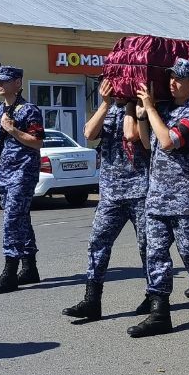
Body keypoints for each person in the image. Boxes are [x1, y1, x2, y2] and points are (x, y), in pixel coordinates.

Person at [128, 59, 189, 337]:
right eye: (171, 77)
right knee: (155, 253)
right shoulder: (164, 110)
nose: (173, 83)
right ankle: (160, 313)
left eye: (179, 79)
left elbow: (170, 142)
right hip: (158, 196)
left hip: (185, 197)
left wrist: (149, 108)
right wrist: (141, 116)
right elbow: (150, 144)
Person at [62, 78, 150, 322]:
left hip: (139, 190)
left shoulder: (143, 108)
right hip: (111, 192)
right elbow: (89, 133)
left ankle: (154, 295)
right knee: (97, 243)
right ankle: (92, 300)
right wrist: (104, 104)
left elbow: (131, 134)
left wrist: (131, 104)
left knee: (147, 247)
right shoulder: (109, 109)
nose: (115, 90)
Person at [0, 66, 45, 293]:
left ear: (18, 82)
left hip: (23, 172)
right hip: (4, 172)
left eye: (5, 81)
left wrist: (12, 130)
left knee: (12, 219)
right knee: (21, 217)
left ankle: (10, 272)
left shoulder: (29, 110)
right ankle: (30, 268)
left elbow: (37, 141)